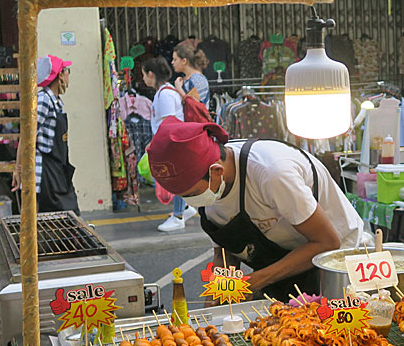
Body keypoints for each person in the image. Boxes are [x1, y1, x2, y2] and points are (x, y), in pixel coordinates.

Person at [146, 118, 364, 299]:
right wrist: (221, 291)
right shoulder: (211, 189)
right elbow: (224, 250)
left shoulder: (271, 173)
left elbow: (327, 242)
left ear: (216, 171)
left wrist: (254, 281)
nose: (191, 202)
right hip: (280, 267)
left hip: (336, 262)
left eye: (192, 194)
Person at [12, 55, 79, 214]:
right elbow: (27, 136)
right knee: (56, 215)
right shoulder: (43, 100)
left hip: (58, 166)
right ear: (59, 75)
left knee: (68, 214)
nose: (68, 74)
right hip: (45, 171)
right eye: (66, 71)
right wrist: (18, 168)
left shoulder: (57, 102)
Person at [142, 56, 197, 232]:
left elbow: (168, 124)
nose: (143, 78)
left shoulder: (165, 94)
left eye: (144, 74)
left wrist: (155, 144)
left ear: (151, 74)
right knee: (174, 178)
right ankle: (184, 209)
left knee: (174, 179)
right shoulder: (164, 92)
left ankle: (178, 216)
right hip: (172, 143)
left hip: (172, 144)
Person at [173, 43, 211, 111]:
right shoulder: (186, 79)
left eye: (175, 59)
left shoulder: (198, 79)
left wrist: (179, 89)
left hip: (196, 121)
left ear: (184, 61)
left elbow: (196, 107)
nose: (172, 62)